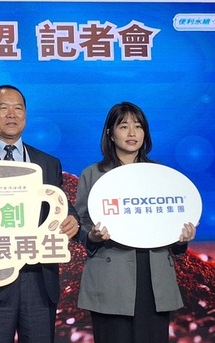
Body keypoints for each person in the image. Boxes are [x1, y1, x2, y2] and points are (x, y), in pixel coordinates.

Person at [75, 101, 197, 343]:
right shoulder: (93, 174)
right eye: (123, 126)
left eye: (138, 126)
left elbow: (171, 224)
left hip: (154, 278)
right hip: (111, 279)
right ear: (110, 133)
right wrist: (92, 236)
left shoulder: (161, 174)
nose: (132, 133)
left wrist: (181, 239)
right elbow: (80, 226)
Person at [0, 84, 80, 343]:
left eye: (18, 108)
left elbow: (61, 203)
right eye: (3, 108)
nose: (12, 114)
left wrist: (72, 219)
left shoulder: (47, 162)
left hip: (39, 282)